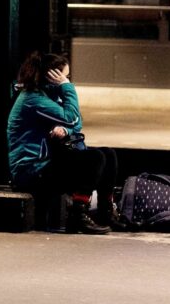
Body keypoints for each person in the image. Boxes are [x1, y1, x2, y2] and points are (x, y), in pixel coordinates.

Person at [6, 51, 119, 234]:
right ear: (53, 77)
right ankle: (77, 214)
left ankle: (106, 213)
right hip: (31, 171)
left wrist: (66, 130)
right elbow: (72, 117)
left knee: (109, 154)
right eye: (65, 77)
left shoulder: (49, 95)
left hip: (46, 163)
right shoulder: (33, 99)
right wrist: (67, 88)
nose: (67, 80)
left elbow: (77, 122)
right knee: (95, 158)